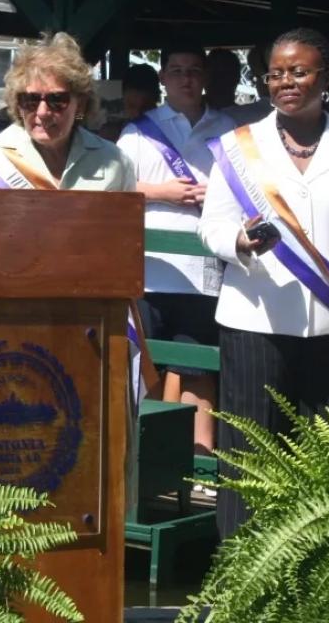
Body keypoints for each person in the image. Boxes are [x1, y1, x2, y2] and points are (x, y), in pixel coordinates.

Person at [200, 27, 329, 539]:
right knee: (249, 462)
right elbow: (212, 226)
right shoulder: (236, 146)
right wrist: (240, 242)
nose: (286, 81)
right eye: (275, 73)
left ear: (327, 78)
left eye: (299, 70)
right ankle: (241, 589)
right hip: (255, 322)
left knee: (327, 463)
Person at [117, 42, 233, 457]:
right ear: (163, 77)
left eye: (194, 70)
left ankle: (198, 459)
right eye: (177, 70)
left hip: (203, 272)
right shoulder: (137, 131)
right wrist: (164, 192)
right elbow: (117, 187)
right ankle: (146, 459)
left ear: (205, 78)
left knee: (196, 369)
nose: (186, 78)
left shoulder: (228, 130)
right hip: (149, 268)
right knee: (146, 367)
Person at [0, 33, 135, 192]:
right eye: (31, 100)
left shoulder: (116, 162)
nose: (42, 112)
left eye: (57, 100)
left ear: (81, 104)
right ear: (17, 104)